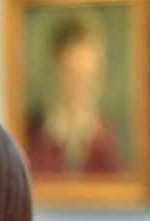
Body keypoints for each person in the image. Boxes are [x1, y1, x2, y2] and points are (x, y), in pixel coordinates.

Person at [25, 11, 126, 173]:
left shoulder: (106, 141)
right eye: (73, 74)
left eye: (88, 75)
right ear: (55, 67)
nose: (81, 87)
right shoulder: (32, 134)